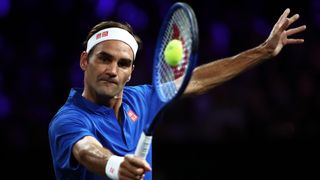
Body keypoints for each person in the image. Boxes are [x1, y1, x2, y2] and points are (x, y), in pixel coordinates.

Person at [48, 8, 306, 180]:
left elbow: (197, 80)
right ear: (85, 61)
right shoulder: (69, 119)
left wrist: (263, 50)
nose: (113, 70)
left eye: (123, 63)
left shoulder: (140, 98)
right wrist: (115, 166)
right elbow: (86, 150)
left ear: (131, 71)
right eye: (104, 59)